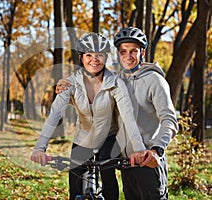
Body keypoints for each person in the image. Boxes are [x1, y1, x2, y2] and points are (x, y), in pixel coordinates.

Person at [56, 27, 179, 199]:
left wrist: (157, 150)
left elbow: (170, 120)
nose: (128, 56)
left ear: (142, 52)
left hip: (149, 161)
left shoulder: (155, 80)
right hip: (127, 164)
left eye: (133, 51)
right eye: (123, 51)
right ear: (118, 54)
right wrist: (67, 93)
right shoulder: (117, 80)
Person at [30, 32, 146, 200]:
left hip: (109, 137)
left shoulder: (116, 84)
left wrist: (140, 150)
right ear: (81, 58)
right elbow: (54, 114)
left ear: (105, 57)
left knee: (108, 176)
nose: (94, 59)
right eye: (89, 55)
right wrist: (40, 148)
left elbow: (128, 117)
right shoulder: (70, 83)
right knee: (75, 183)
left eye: (99, 55)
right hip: (82, 138)